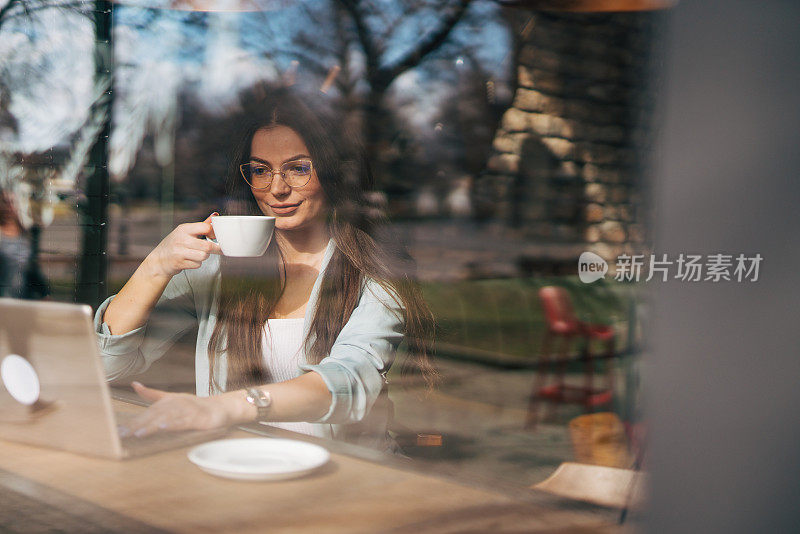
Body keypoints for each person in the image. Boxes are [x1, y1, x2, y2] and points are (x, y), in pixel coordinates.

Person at [95, 89, 435, 451]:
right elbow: (107, 366)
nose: (277, 188)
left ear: (331, 172)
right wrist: (157, 265)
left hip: (343, 480)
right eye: (260, 170)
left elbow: (351, 380)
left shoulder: (372, 275)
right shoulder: (218, 269)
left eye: (298, 168)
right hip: (240, 468)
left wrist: (227, 408)